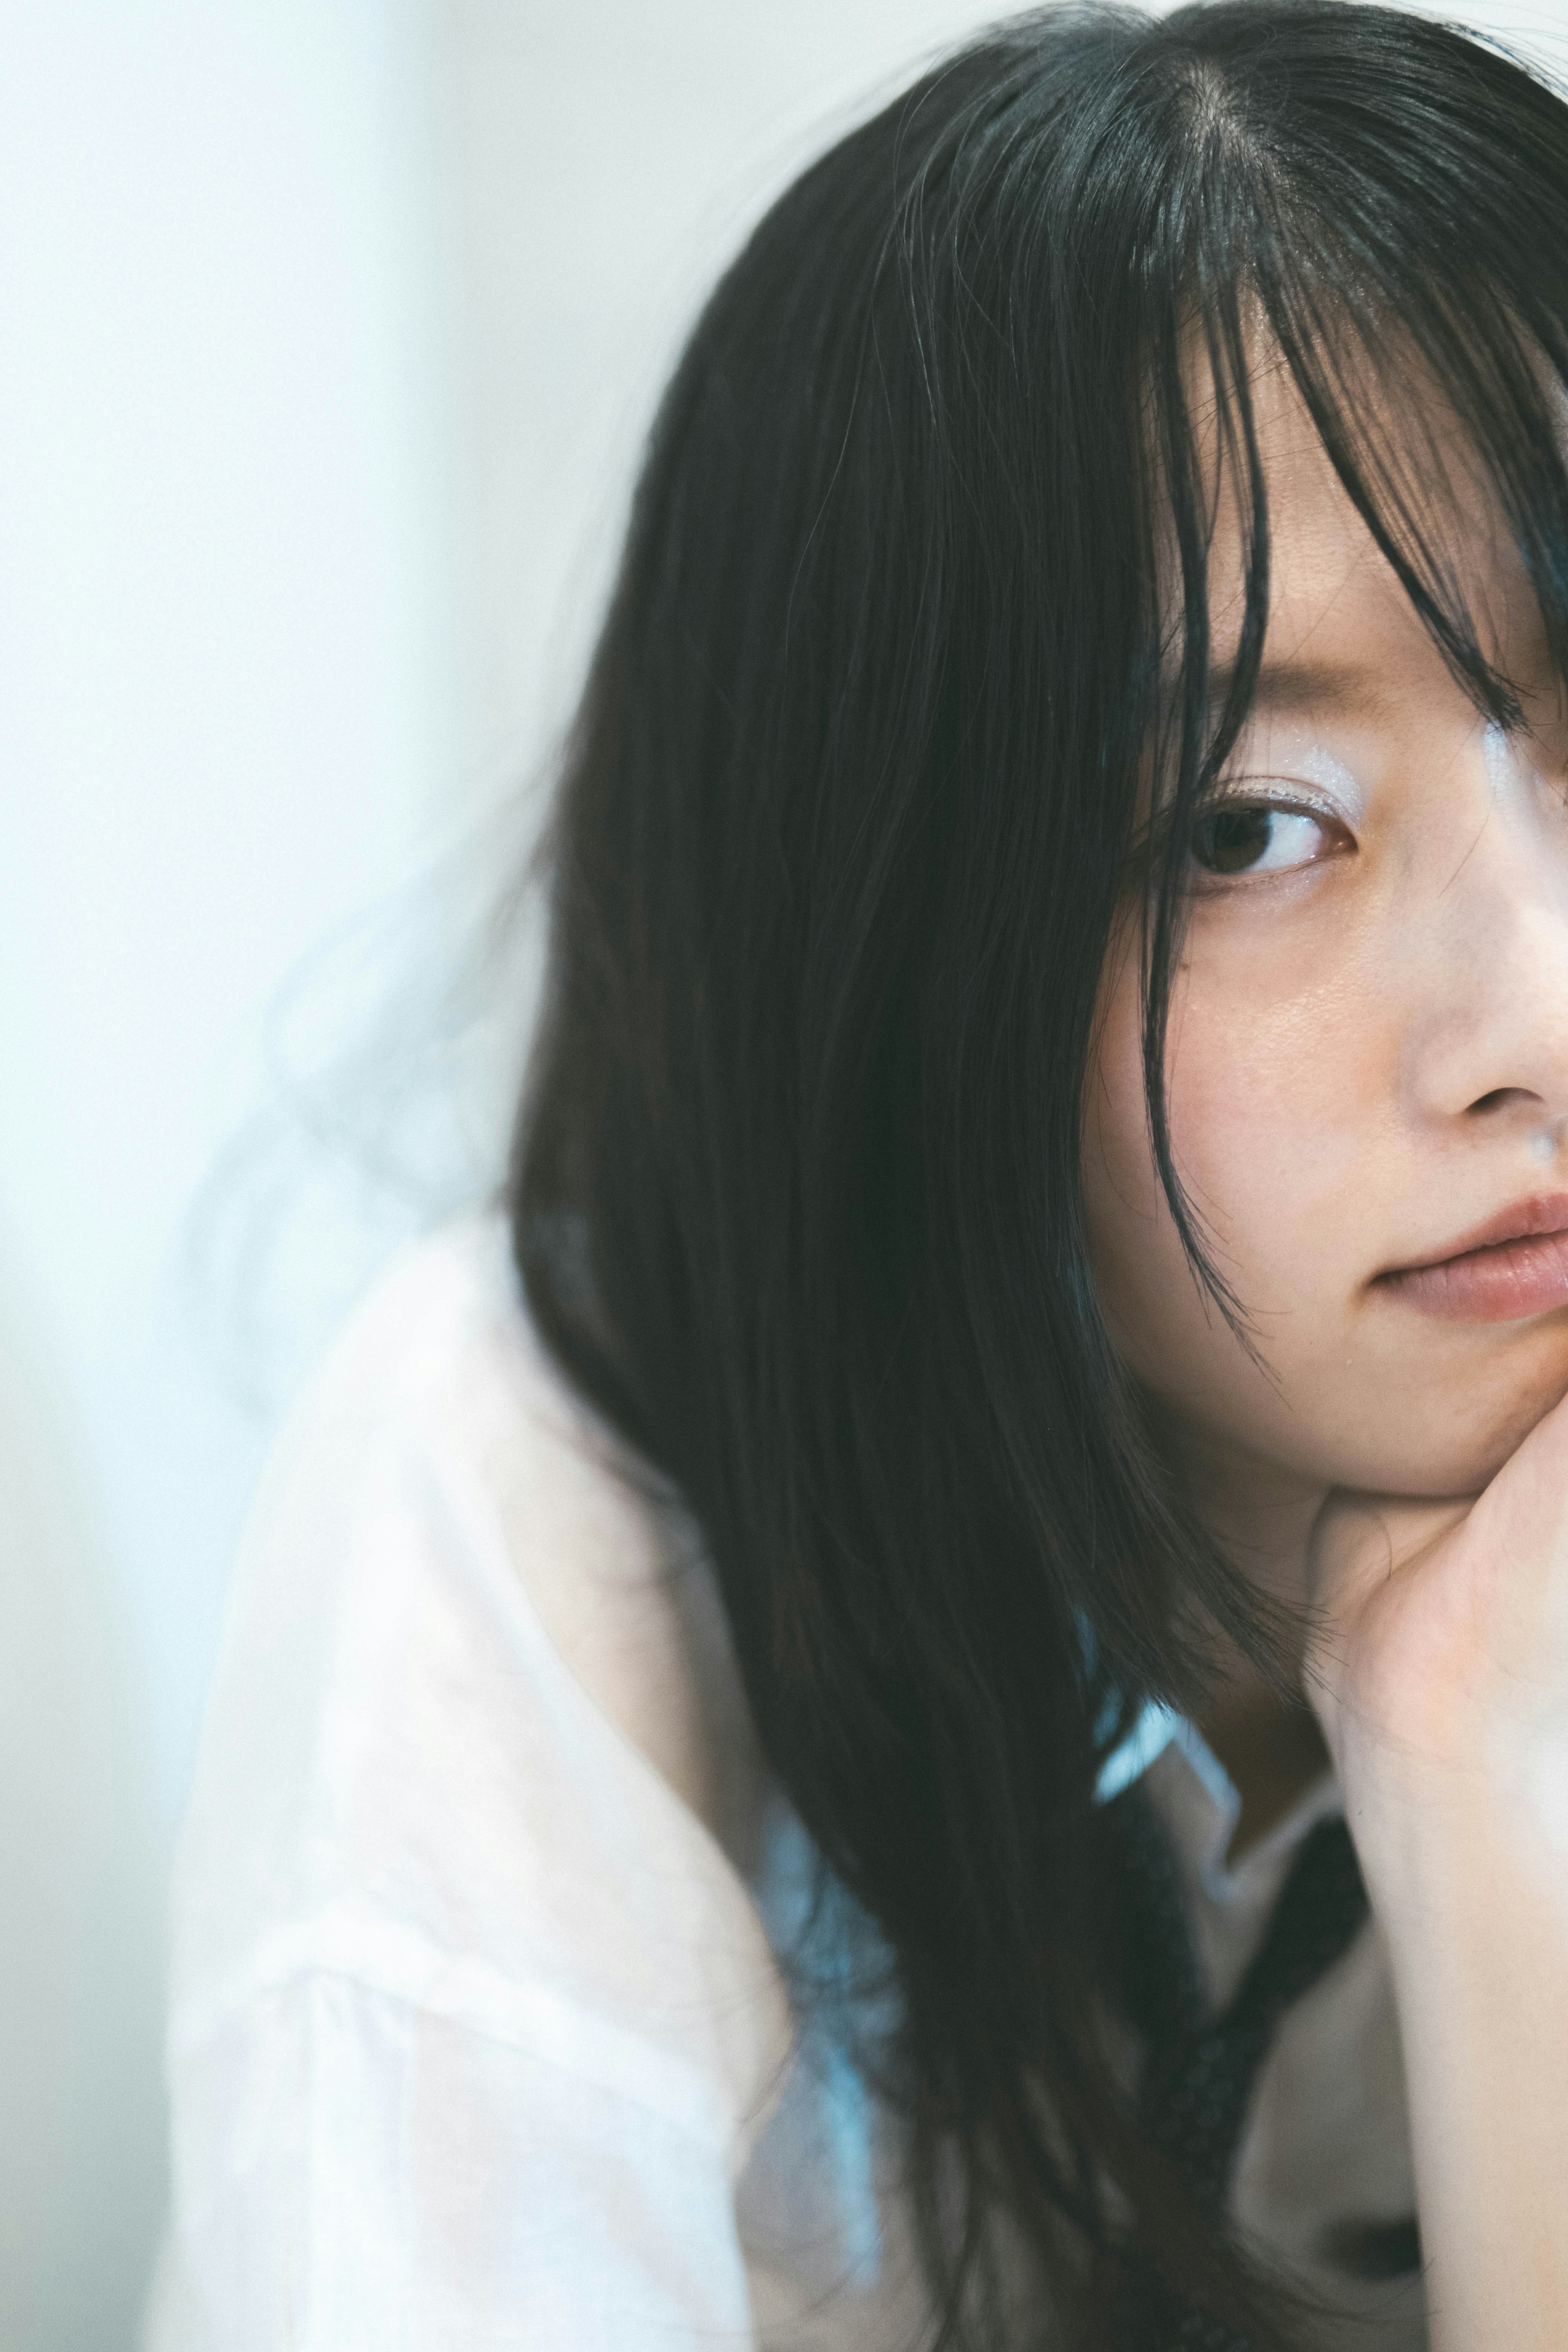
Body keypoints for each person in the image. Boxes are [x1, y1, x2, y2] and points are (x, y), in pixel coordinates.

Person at [148, 3, 1568, 2346]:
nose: (1535, 1020)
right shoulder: (539, 1522)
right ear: (887, 938)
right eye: (1246, 827)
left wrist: (1496, 1848)